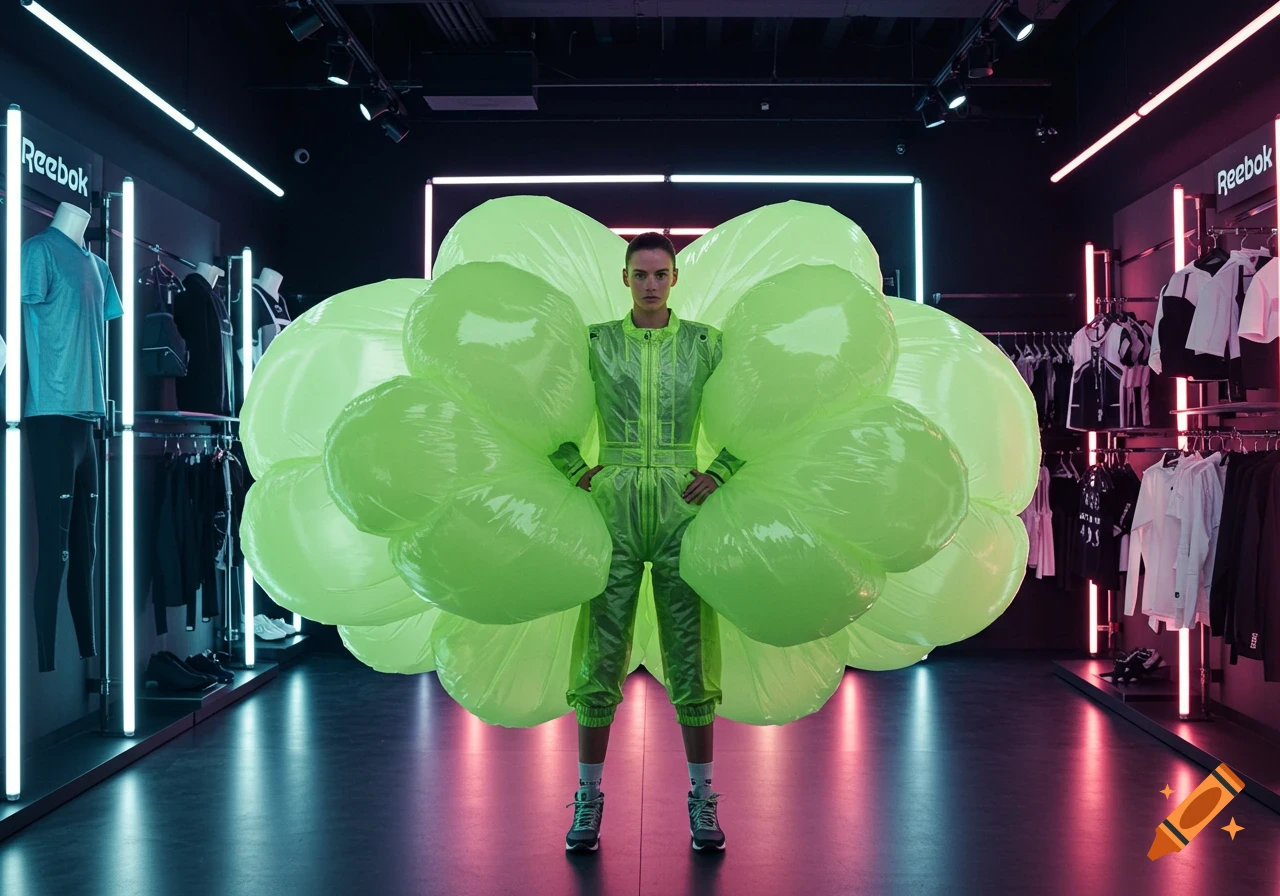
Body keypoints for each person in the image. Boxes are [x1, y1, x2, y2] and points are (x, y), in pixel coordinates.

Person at [548, 232, 744, 854]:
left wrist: (723, 470)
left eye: (661, 274)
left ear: (676, 277)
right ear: (624, 277)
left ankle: (704, 799)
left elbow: (755, 410)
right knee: (600, 657)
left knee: (692, 656)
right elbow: (542, 408)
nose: (651, 284)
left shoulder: (707, 344)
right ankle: (586, 798)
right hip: (612, 510)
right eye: (640, 274)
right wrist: (575, 468)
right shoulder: (596, 343)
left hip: (685, 510)